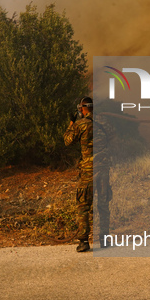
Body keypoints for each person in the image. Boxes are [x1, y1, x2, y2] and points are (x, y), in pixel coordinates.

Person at [64, 97, 113, 252]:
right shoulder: (103, 122)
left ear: (82, 109)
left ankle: (84, 242)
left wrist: (71, 125)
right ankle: (104, 239)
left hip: (88, 170)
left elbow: (67, 141)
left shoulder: (80, 124)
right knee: (103, 204)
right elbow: (111, 136)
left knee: (84, 205)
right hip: (103, 169)